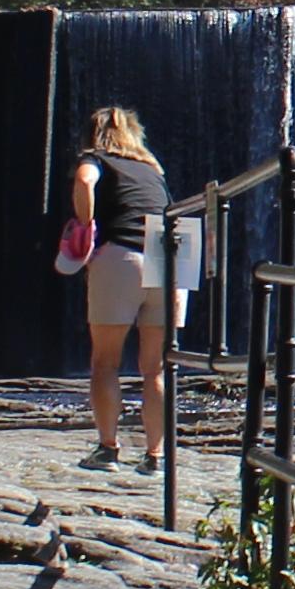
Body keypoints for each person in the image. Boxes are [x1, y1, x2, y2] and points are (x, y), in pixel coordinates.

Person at [68, 103, 172, 470]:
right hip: (170, 260)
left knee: (105, 362)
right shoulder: (152, 169)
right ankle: (156, 456)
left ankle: (108, 449)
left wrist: (86, 225)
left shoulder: (95, 158)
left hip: (122, 257)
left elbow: (84, 181)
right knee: (156, 368)